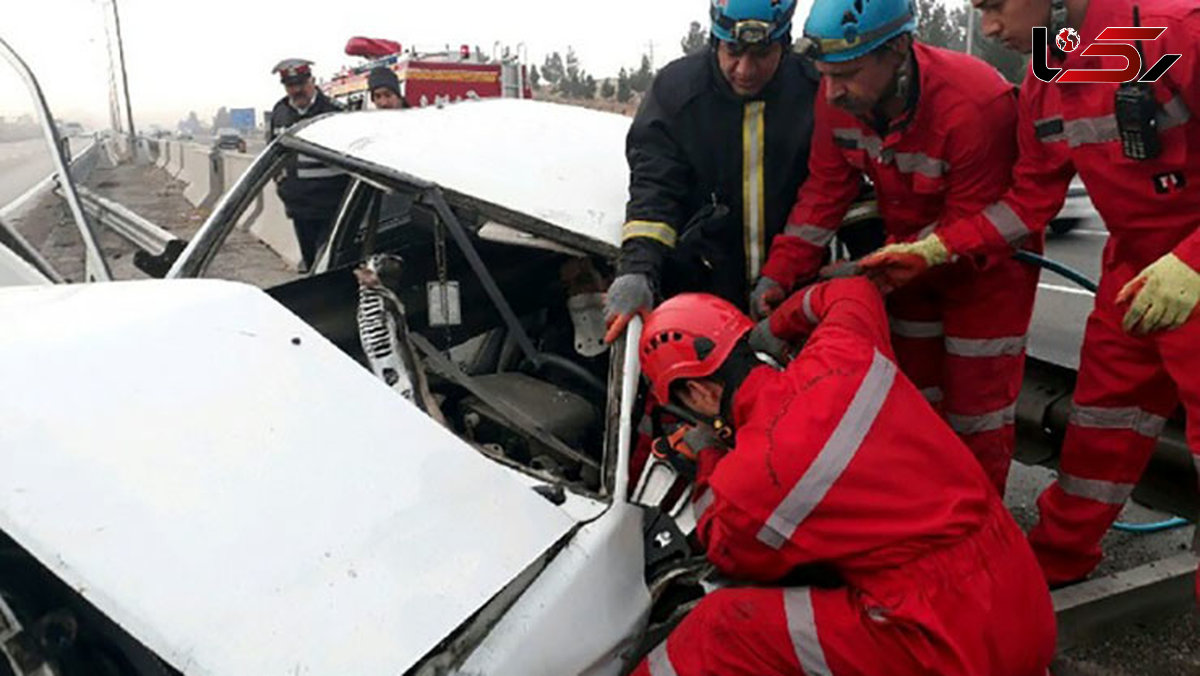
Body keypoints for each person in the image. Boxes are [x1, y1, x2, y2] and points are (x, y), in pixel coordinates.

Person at [857, 0, 1200, 589]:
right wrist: (935, 250)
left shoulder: (1174, 32)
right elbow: (1028, 200)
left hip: (1189, 268)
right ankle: (1053, 565)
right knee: (1099, 433)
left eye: (995, 7)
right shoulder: (1057, 66)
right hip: (1136, 279)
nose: (989, 28)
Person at [629, 277, 1055, 676]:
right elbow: (852, 291)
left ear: (700, 391)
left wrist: (707, 456)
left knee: (714, 628)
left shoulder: (753, 481)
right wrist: (780, 322)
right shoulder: (845, 349)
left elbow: (726, 547)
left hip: (941, 644)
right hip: (1023, 604)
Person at [753, 0, 1038, 496]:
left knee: (978, 416)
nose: (832, 90)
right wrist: (779, 274)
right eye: (824, 75)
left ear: (899, 49)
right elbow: (824, 192)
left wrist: (873, 271)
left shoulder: (973, 104)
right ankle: (921, 516)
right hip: (904, 264)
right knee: (913, 403)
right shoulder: (837, 100)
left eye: (848, 73)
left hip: (986, 274)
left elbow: (972, 223)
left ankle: (979, 531)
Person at [602, 0, 821, 342]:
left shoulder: (815, 91)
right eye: (733, 51)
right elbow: (654, 190)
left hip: (791, 296)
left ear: (785, 43)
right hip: (696, 296)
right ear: (714, 39)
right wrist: (638, 270)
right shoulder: (676, 91)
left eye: (761, 54)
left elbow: (832, 189)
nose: (745, 70)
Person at [267, 58, 350, 271]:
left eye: (301, 84)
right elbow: (273, 154)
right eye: (290, 86)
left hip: (331, 206)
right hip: (299, 208)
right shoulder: (280, 113)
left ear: (312, 81)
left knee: (328, 266)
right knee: (312, 262)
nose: (296, 90)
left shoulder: (334, 112)